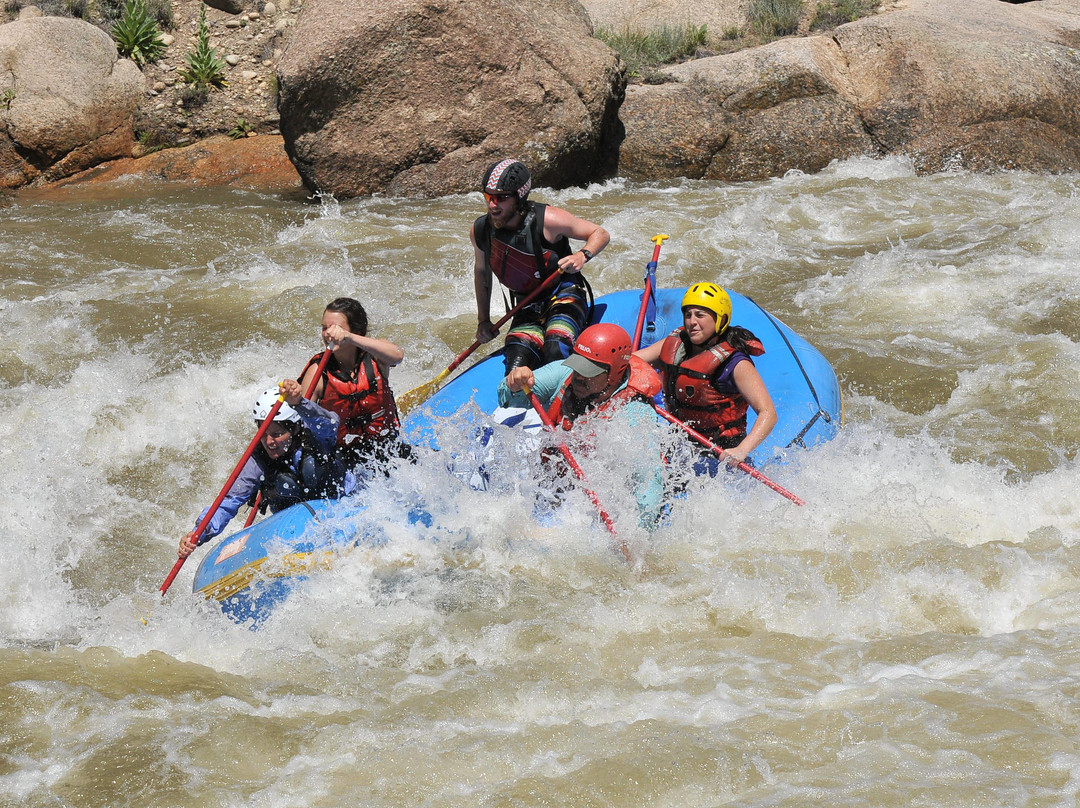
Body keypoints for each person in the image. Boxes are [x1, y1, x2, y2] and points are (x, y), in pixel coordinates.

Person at [497, 323, 665, 527]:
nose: (579, 376)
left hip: (602, 497)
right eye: (578, 365)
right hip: (557, 481)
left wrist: (637, 534)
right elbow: (506, 398)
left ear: (614, 374)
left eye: (590, 371)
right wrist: (514, 383)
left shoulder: (633, 412)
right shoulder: (564, 373)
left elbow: (648, 483)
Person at [177, 380, 352, 559]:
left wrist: (299, 403)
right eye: (263, 434)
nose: (269, 442)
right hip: (294, 528)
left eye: (277, 434)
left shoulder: (317, 437)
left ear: (294, 430)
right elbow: (228, 502)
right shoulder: (258, 459)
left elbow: (329, 422)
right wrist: (199, 531)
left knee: (310, 466)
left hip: (341, 506)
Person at [472, 158, 610, 373]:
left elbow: (600, 233)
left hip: (563, 295)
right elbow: (482, 272)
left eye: (500, 198)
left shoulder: (548, 220)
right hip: (526, 305)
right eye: (488, 197)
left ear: (519, 196)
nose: (492, 205)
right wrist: (483, 321)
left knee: (555, 347)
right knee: (516, 365)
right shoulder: (480, 230)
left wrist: (582, 256)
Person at [634, 282, 778, 474]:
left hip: (720, 452)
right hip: (680, 444)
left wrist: (741, 450)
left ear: (720, 319)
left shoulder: (735, 363)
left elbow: (768, 413)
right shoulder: (675, 345)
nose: (692, 322)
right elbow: (632, 361)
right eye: (688, 315)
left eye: (700, 315)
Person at [298, 297, 410, 471]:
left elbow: (397, 355)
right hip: (344, 455)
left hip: (385, 445)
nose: (328, 333)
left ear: (356, 331)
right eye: (324, 327)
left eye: (336, 328)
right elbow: (304, 419)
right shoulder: (318, 371)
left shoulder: (375, 356)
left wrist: (349, 338)